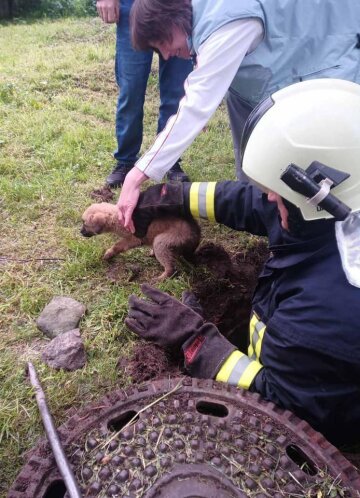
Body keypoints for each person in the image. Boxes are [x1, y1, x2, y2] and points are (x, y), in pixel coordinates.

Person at [125, 79, 360, 446]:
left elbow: (282, 405)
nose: (268, 196)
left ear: (322, 196)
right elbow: (248, 202)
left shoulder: (325, 312)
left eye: (277, 193)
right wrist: (169, 197)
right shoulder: (327, 216)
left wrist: (195, 340)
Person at [116, 0, 360, 232]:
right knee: (262, 166)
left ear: (173, 20)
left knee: (316, 160)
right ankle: (274, 220)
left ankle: (320, 231)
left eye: (162, 43)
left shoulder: (227, 24)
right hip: (266, 80)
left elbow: (196, 105)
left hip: (322, 67)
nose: (166, 55)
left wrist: (136, 176)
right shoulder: (207, 18)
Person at [96, 0, 193, 187]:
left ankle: (168, 160)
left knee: (176, 91)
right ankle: (125, 160)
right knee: (131, 88)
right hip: (131, 6)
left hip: (176, 5)